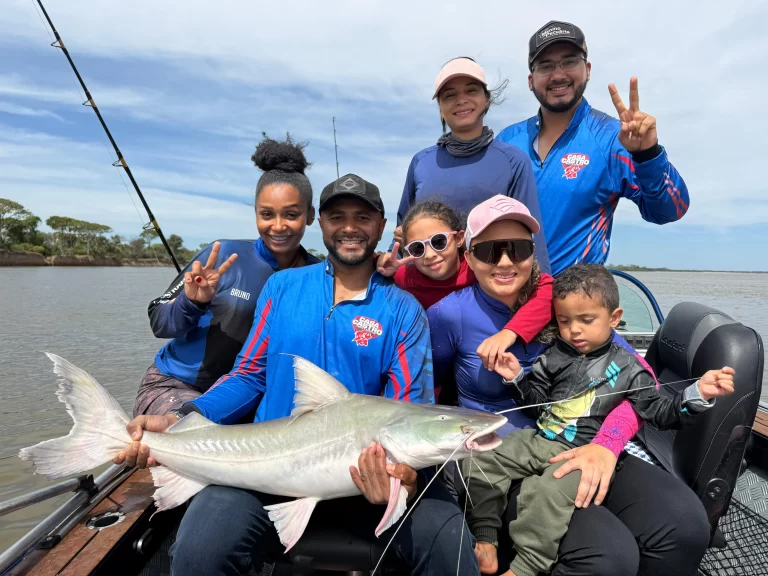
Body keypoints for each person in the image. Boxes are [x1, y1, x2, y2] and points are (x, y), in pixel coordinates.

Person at [115, 173, 480, 576]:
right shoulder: (282, 287)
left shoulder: (403, 309)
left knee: (450, 542)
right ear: (320, 224)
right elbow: (250, 374)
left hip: (367, 476)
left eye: (362, 217)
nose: (349, 227)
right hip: (266, 472)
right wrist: (182, 417)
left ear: (380, 226)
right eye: (337, 217)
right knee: (199, 548)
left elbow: (409, 408)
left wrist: (404, 478)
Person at [464, 263, 735, 576]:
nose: (574, 330)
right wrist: (516, 378)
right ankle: (485, 537)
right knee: (481, 455)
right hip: (540, 439)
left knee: (545, 492)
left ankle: (526, 566)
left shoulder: (630, 368)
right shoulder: (554, 355)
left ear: (614, 318)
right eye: (564, 321)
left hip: (582, 453)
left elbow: (661, 412)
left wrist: (696, 394)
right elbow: (537, 406)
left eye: (586, 319)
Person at [133, 135, 320, 417]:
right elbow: (159, 322)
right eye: (267, 214)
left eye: (291, 215)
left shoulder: (317, 275)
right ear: (255, 213)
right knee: (190, 433)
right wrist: (191, 303)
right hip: (179, 386)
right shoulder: (222, 255)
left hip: (250, 396)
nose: (278, 226)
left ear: (310, 215)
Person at [497, 20, 690, 276]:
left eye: (569, 62)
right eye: (546, 66)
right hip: (508, 293)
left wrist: (648, 154)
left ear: (587, 69)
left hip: (573, 299)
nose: (558, 75)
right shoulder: (507, 140)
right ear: (531, 80)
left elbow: (671, 209)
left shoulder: (614, 138)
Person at [392, 56, 550, 274]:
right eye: (450, 95)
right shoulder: (421, 162)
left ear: (486, 99)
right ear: (440, 108)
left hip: (491, 286)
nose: (461, 100)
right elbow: (402, 234)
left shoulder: (513, 161)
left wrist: (542, 287)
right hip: (426, 286)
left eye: (471, 91)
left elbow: (532, 239)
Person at [377, 199, 554, 377]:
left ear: (459, 239)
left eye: (439, 242)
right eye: (417, 248)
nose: (429, 255)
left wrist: (511, 332)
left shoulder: (478, 268)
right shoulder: (405, 276)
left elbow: (546, 288)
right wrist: (377, 262)